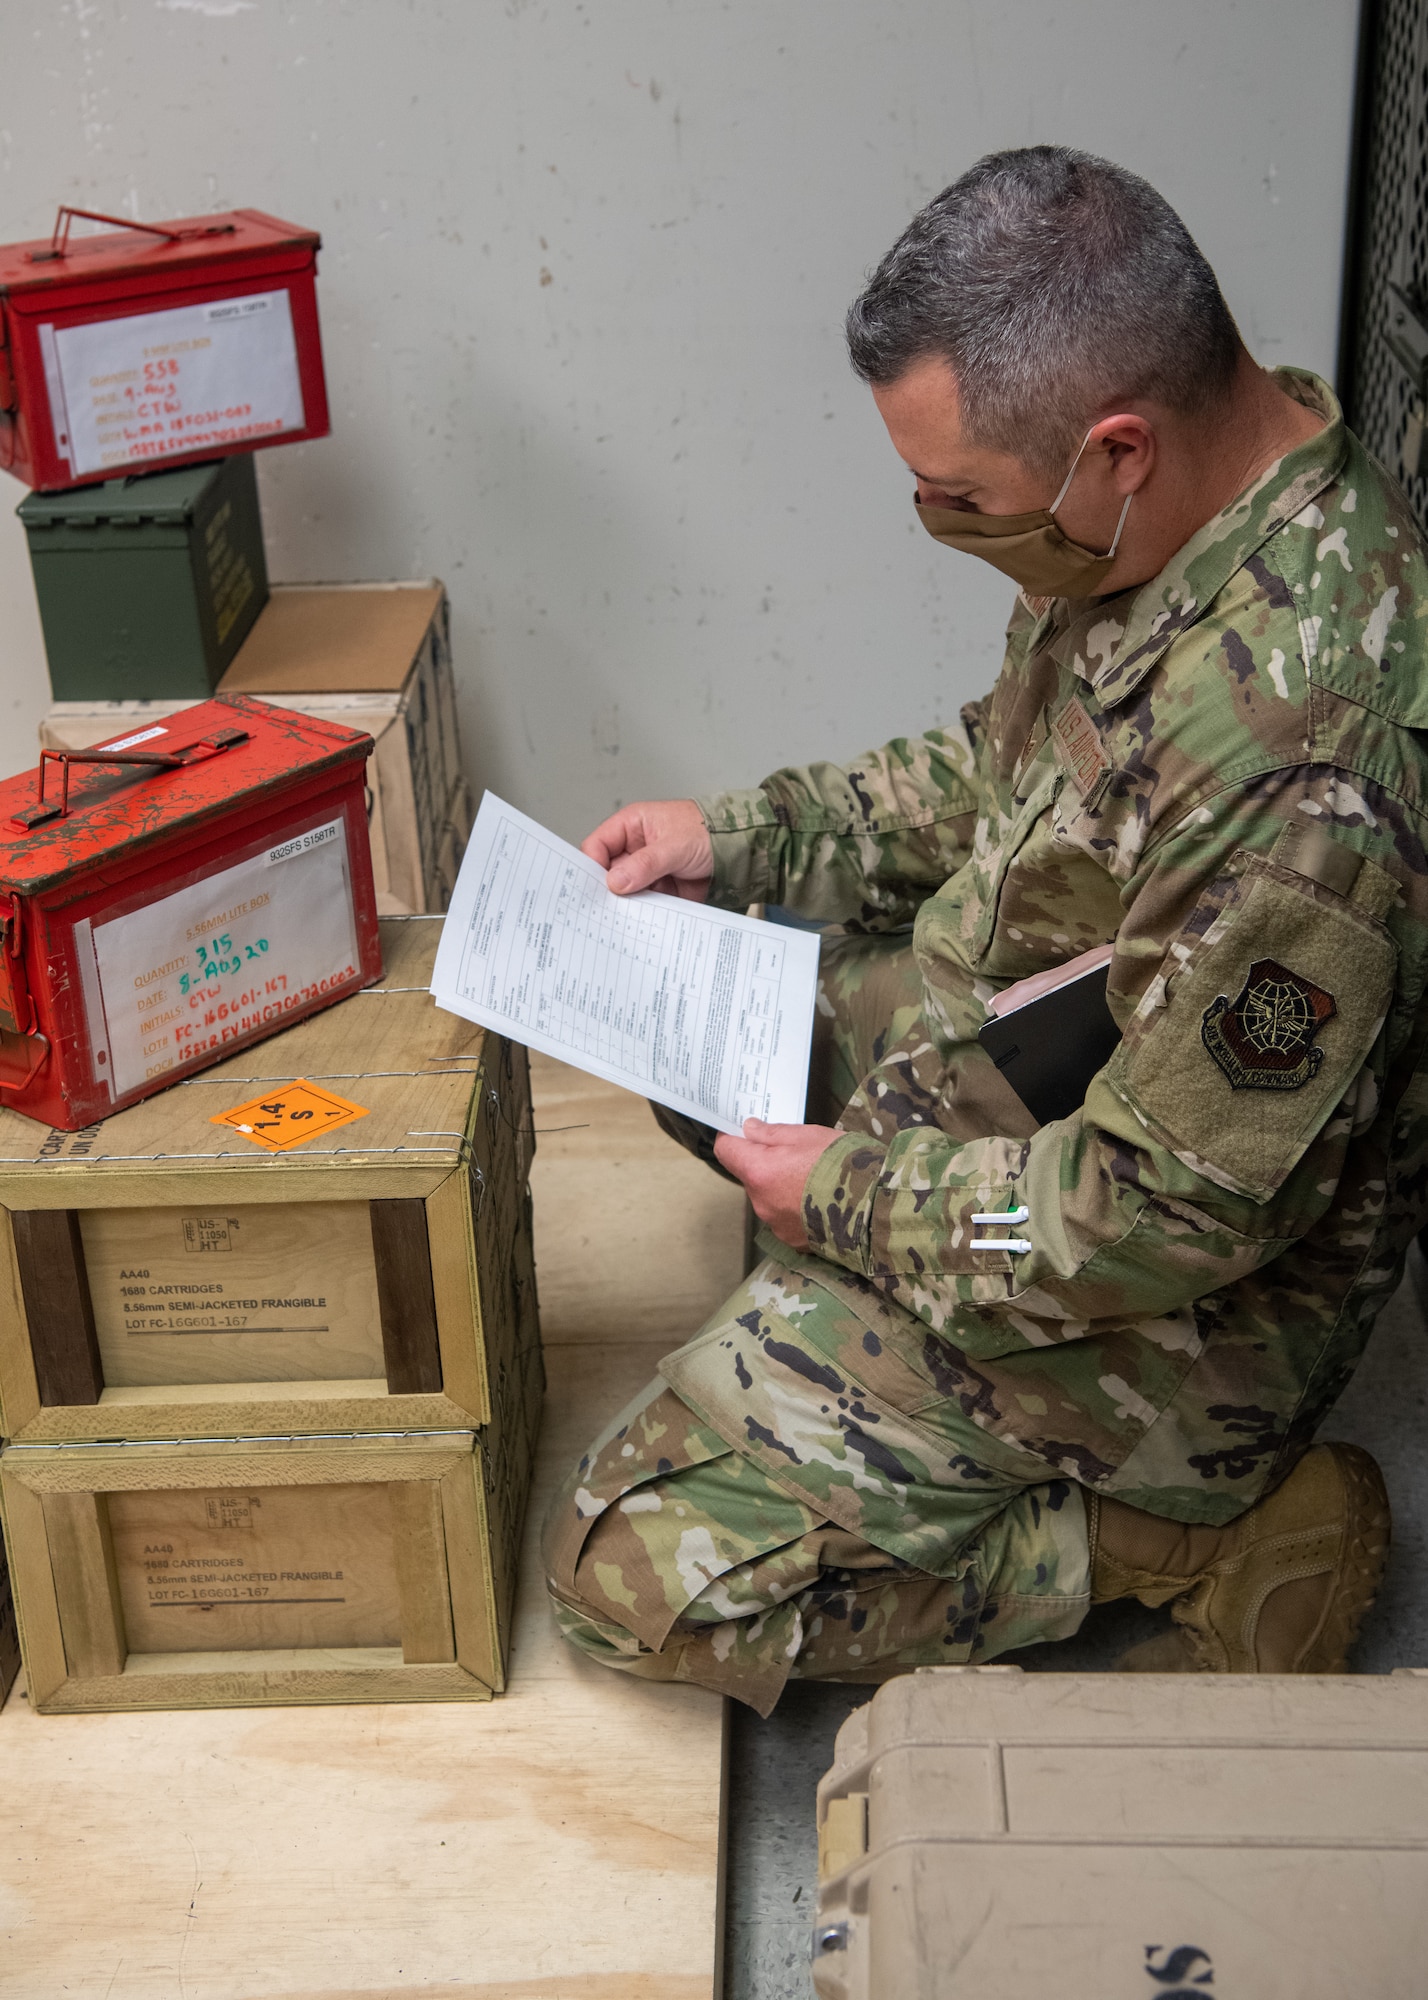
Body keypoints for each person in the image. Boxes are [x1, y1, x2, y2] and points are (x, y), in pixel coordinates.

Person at [541, 145, 1425, 1714]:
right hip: (1028, 1061)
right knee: (686, 1015)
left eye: (962, 500)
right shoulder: (1176, 509)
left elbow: (1165, 1220)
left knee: (627, 1580)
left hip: (1177, 1296)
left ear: (1115, 448)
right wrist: (743, 835)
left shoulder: (1310, 779)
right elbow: (1007, 768)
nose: (939, 523)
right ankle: (847, 1325)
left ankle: (1180, 1538)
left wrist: (870, 1206)